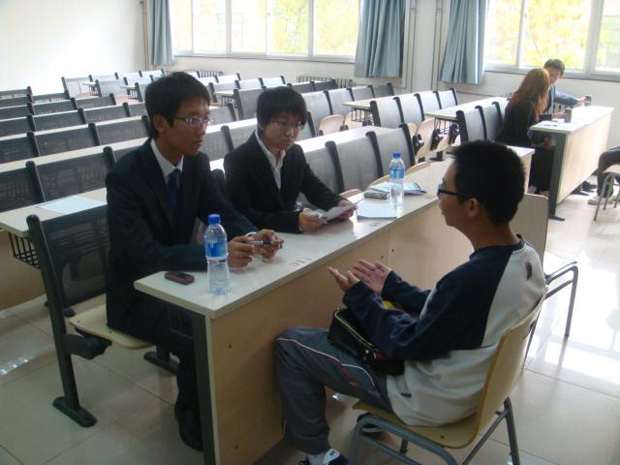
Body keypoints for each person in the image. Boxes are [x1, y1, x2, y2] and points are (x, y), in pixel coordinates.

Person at [275, 141, 546, 465]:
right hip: (479, 389)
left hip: (424, 396)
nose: (438, 197)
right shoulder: (526, 258)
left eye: (444, 190)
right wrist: (395, 288)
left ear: (472, 207)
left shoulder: (474, 279)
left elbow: (403, 344)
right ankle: (370, 420)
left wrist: (360, 297)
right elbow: (453, 309)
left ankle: (318, 455)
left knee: (291, 344)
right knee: (385, 315)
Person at [105, 72, 282, 451]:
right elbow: (143, 254)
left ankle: (238, 404)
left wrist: (256, 234)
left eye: (205, 118)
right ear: (160, 122)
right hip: (137, 293)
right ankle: (192, 413)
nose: (203, 129)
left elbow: (221, 210)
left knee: (242, 315)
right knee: (199, 333)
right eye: (192, 119)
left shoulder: (196, 163)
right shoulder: (125, 176)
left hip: (179, 276)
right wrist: (214, 254)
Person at [224, 86, 355, 233]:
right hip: (259, 239)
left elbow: (313, 187)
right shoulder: (238, 160)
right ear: (262, 123)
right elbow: (241, 214)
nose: (290, 132)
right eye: (282, 124)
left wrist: (337, 203)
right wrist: (294, 221)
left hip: (291, 237)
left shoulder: (294, 152)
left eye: (297, 125)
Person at [497, 68, 554, 194]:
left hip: (513, 141)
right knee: (548, 155)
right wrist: (537, 145)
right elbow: (522, 135)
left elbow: (531, 121)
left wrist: (543, 139)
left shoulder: (524, 99)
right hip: (511, 144)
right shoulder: (525, 104)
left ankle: (538, 188)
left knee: (548, 152)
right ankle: (541, 190)